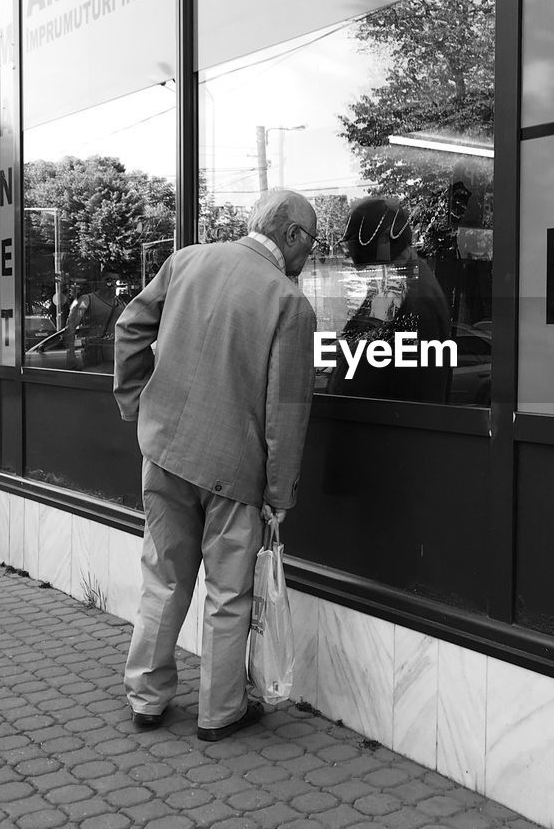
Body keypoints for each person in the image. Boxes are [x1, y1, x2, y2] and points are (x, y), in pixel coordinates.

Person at [114, 190, 318, 742]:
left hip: (163, 452)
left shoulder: (186, 260)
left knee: (162, 578)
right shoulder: (289, 303)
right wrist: (280, 495)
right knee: (229, 594)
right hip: (234, 471)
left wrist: (138, 405)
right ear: (292, 235)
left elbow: (130, 327)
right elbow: (287, 413)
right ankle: (219, 712)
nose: (310, 258)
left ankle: (147, 699)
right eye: (311, 244)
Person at [327, 197, 452, 402]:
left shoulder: (413, 296)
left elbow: (415, 393)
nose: (360, 271)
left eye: (365, 264)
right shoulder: (397, 283)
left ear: (385, 242)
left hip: (385, 427)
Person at [65, 270, 126, 370]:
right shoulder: (86, 300)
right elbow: (70, 326)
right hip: (95, 357)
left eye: (116, 281)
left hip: (116, 357)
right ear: (100, 281)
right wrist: (70, 353)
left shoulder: (120, 303)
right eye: (108, 280)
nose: (112, 284)